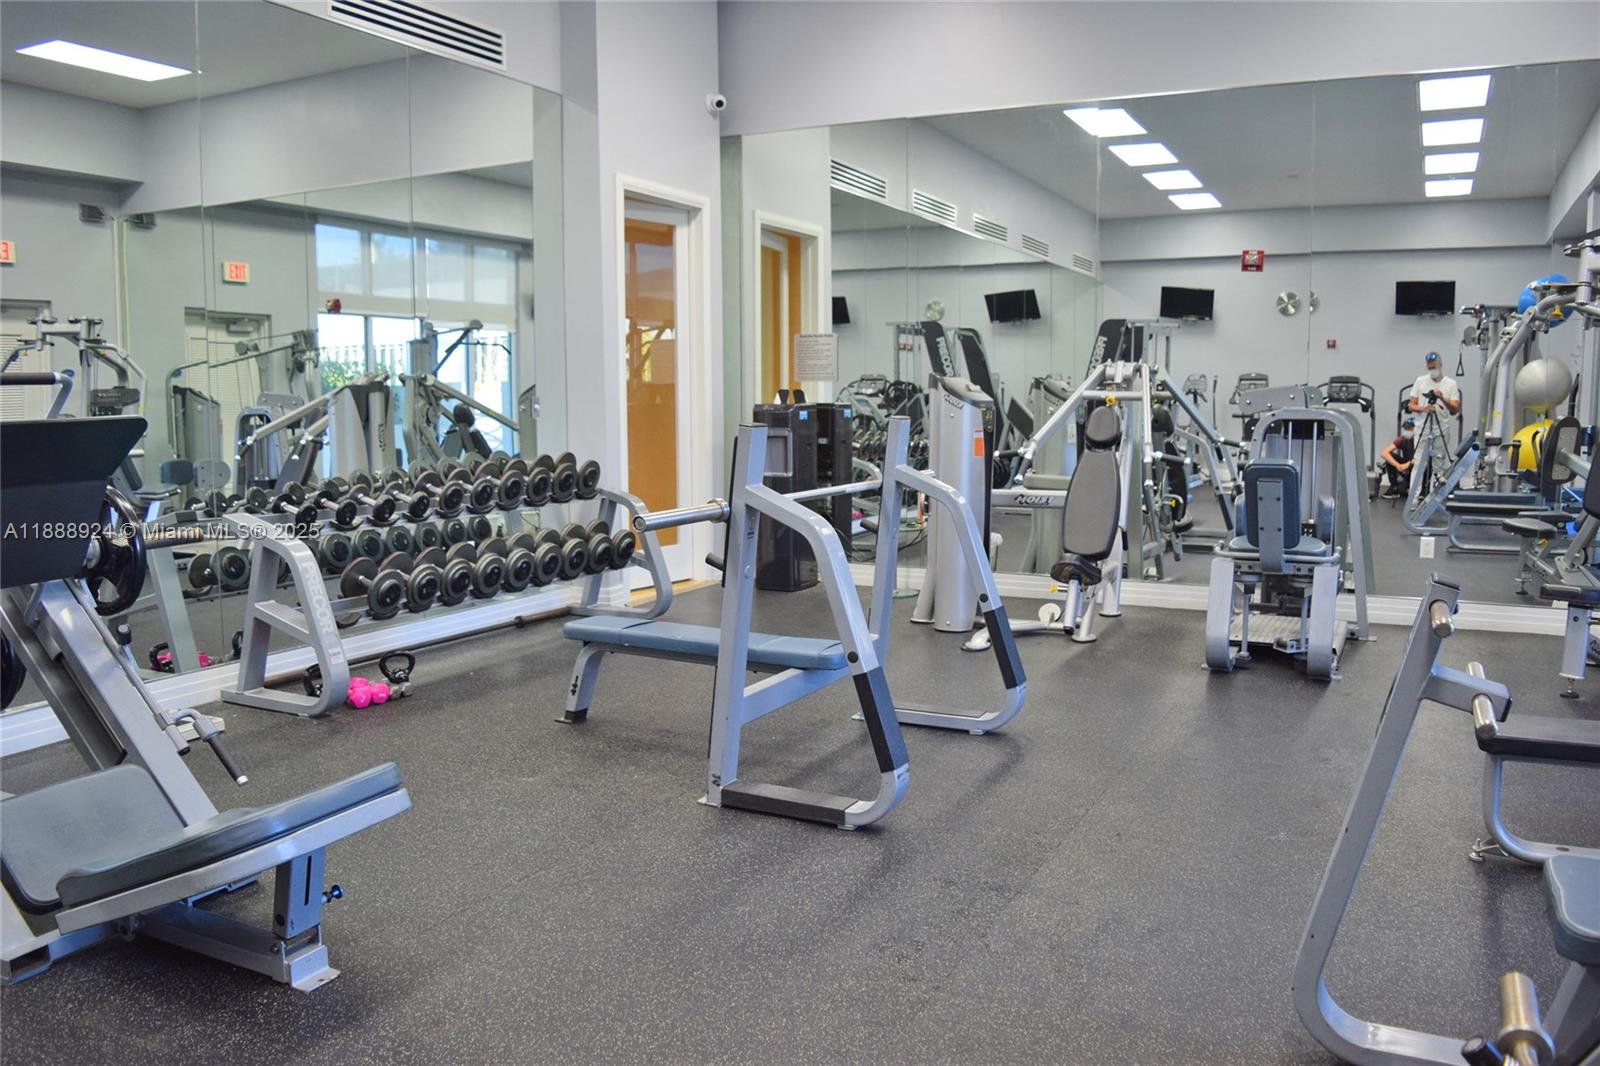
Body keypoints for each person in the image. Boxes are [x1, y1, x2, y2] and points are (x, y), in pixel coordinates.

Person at [1408, 351, 1461, 420]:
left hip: (1442, 428)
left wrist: (1442, 398)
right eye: (1429, 368)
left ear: (1440, 365)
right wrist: (1424, 409)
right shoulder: (1420, 381)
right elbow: (1411, 406)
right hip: (1421, 428)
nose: (1432, 370)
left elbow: (1454, 410)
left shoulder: (1451, 384)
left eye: (1434, 367)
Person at [1379, 416, 1418, 497]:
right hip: (1406, 468)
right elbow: (1384, 453)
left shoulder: (1421, 439)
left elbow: (1424, 457)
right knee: (1390, 458)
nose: (1408, 430)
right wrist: (1398, 465)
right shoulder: (1403, 439)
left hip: (1418, 466)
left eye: (1410, 428)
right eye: (1406, 428)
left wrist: (1408, 464)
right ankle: (1394, 487)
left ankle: (1423, 492)